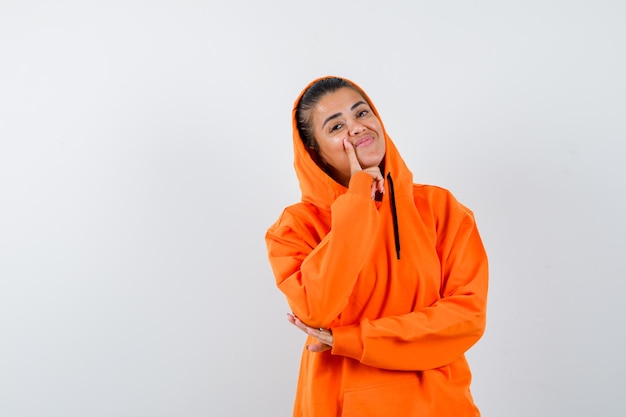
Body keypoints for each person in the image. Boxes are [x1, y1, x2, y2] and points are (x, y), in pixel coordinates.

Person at [265, 76, 489, 416]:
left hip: (438, 405)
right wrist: (358, 199)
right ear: (315, 153)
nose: (356, 127)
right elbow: (317, 308)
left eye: (362, 113)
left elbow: (466, 317)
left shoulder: (441, 209)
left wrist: (350, 340)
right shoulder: (293, 228)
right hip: (338, 405)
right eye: (336, 125)